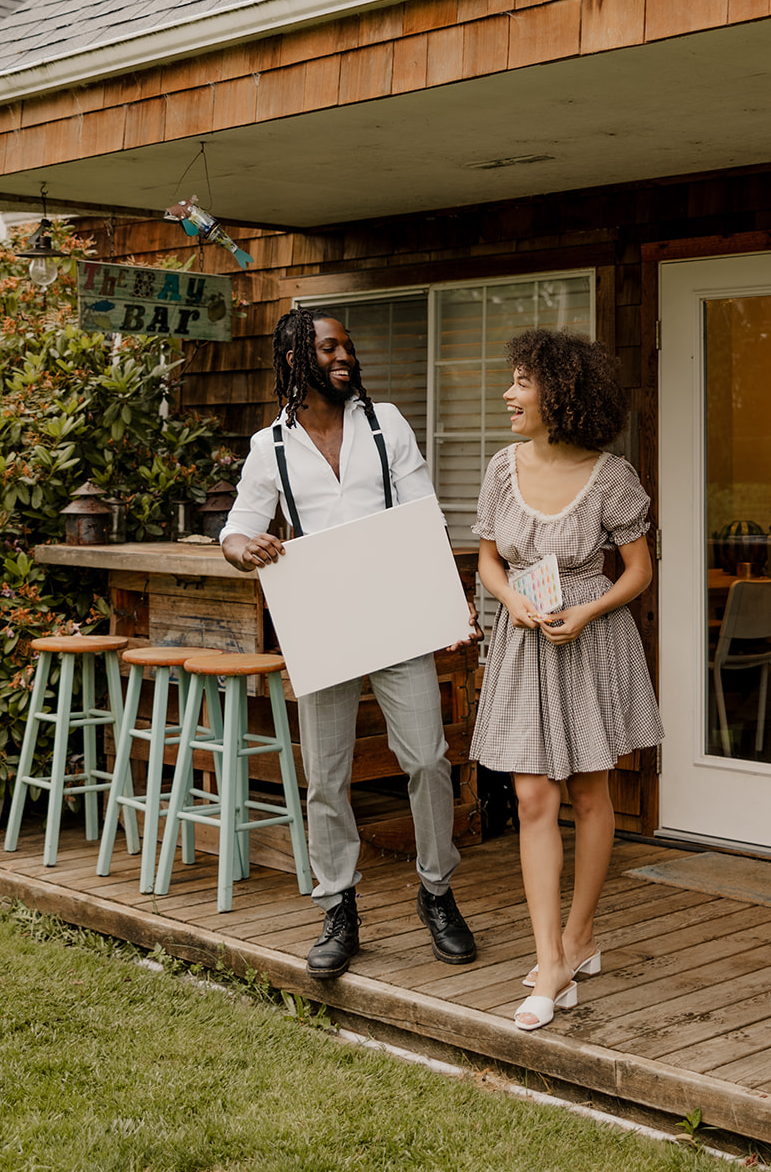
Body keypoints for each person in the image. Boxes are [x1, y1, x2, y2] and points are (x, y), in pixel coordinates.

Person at [220, 308, 476, 978]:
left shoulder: (384, 422)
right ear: (295, 359)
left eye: (346, 347)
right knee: (325, 775)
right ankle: (338, 905)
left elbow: (424, 515)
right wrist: (249, 547)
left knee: (426, 758)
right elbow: (238, 529)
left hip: (395, 612)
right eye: (328, 347)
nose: (344, 357)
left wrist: (448, 603)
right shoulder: (268, 445)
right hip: (323, 617)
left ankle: (436, 892)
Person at [471, 328, 663, 1032]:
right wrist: (510, 598)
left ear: (558, 392)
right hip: (524, 640)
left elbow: (639, 571)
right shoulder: (501, 467)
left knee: (589, 791)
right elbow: (488, 559)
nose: (508, 394)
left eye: (521, 381)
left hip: (588, 639)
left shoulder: (610, 476)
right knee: (529, 798)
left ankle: (577, 940)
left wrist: (586, 610)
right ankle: (549, 955)